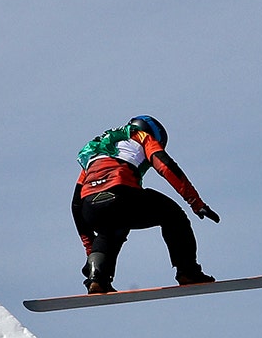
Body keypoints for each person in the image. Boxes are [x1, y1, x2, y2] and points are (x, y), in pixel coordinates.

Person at [72, 115, 218, 294]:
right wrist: (196, 202)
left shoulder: (95, 151)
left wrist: (90, 249)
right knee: (173, 215)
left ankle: (97, 278)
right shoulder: (142, 136)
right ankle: (188, 272)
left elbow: (76, 204)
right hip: (121, 195)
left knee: (111, 230)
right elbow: (166, 166)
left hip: (90, 206)